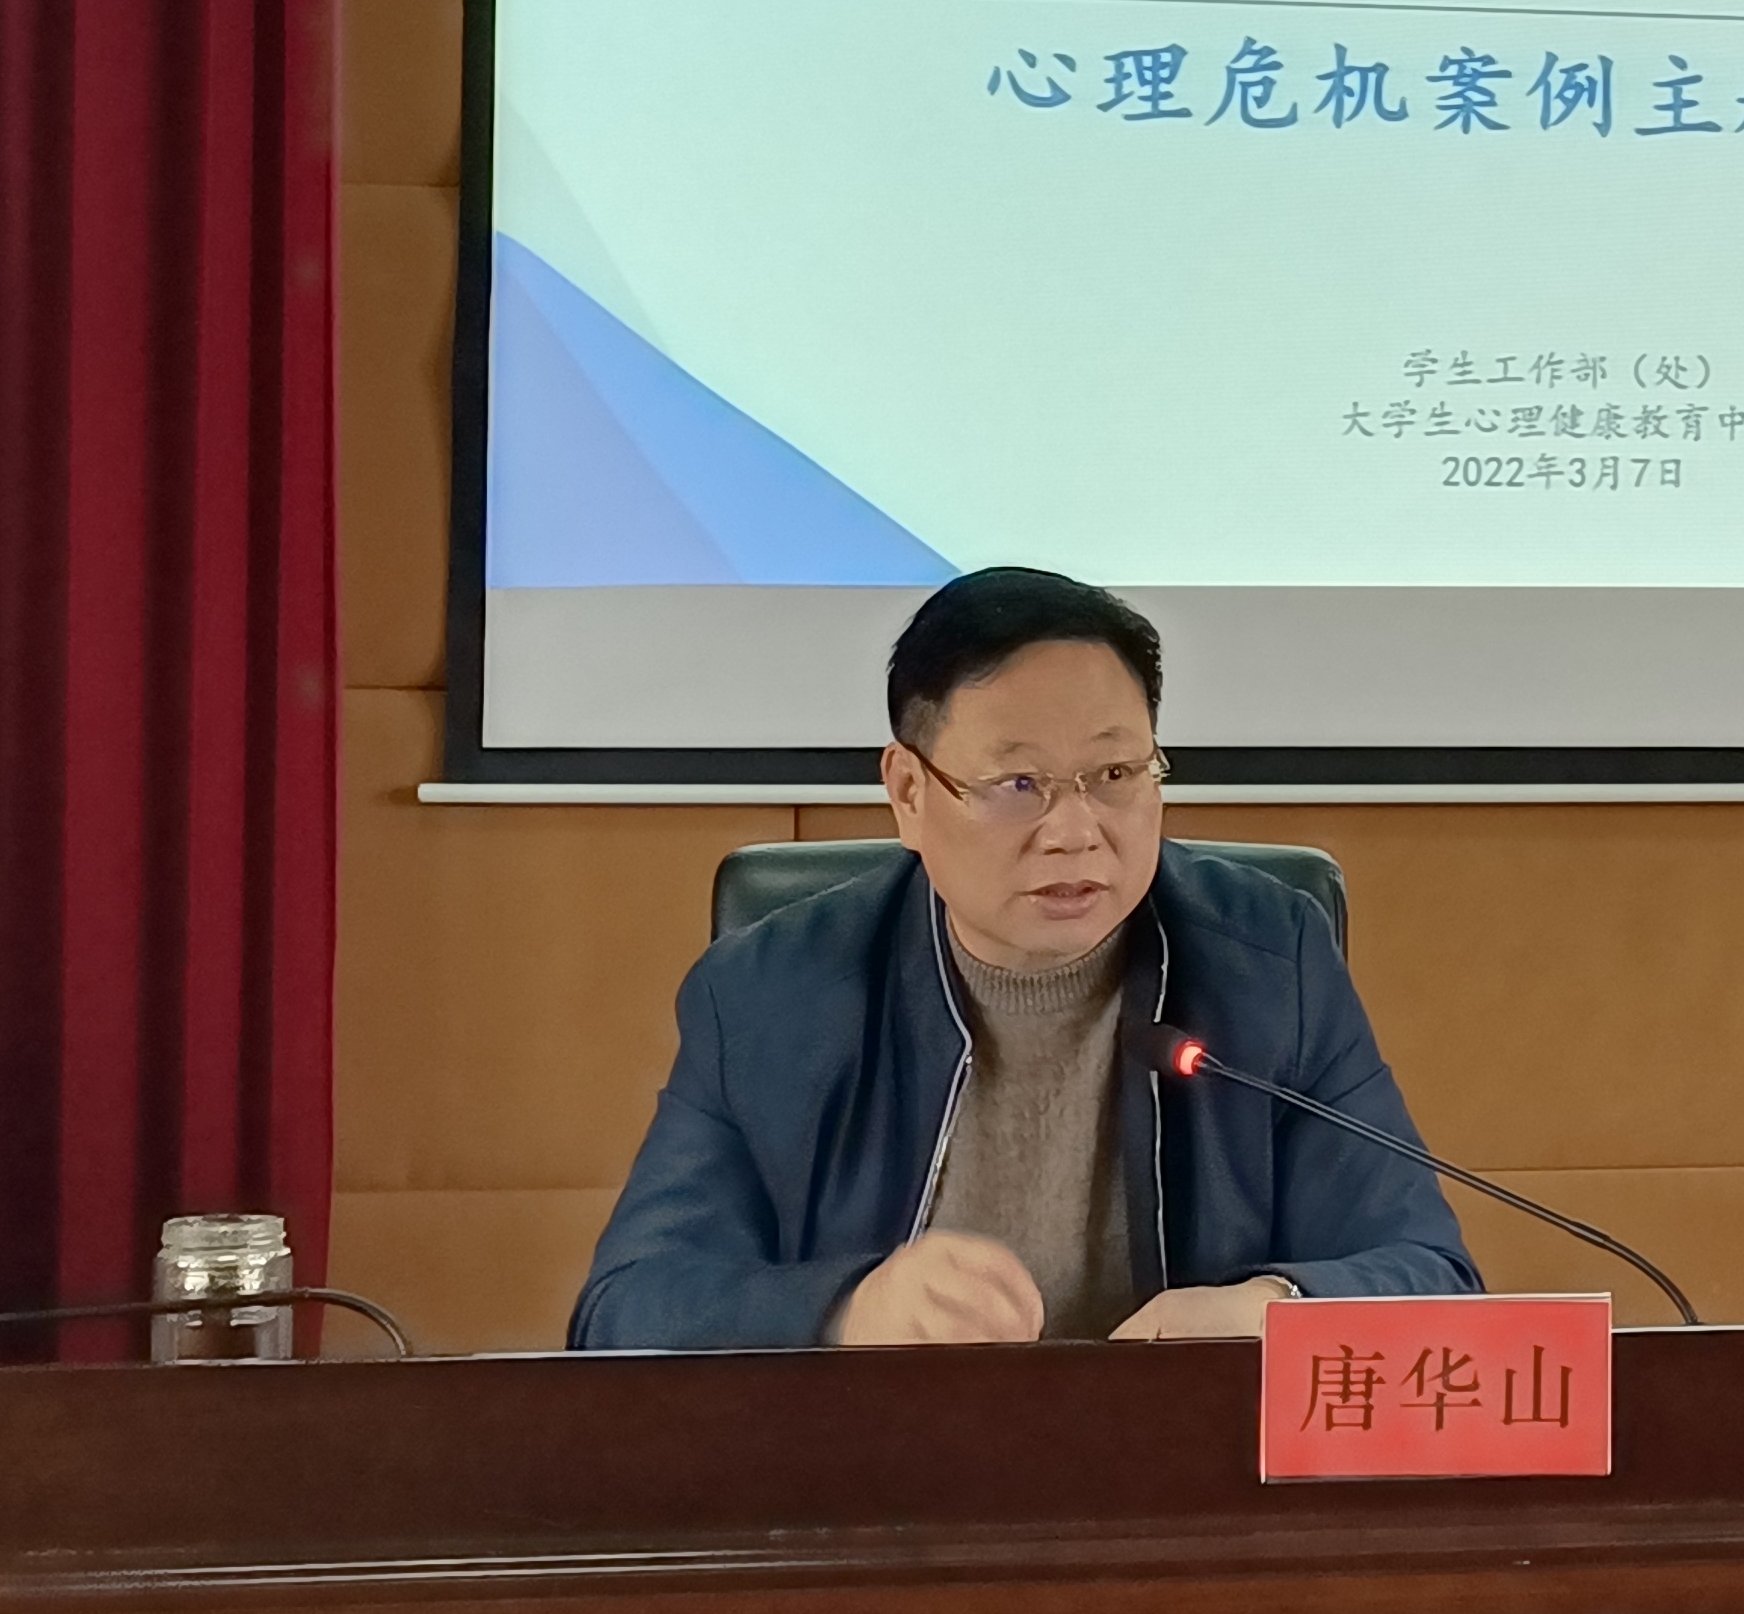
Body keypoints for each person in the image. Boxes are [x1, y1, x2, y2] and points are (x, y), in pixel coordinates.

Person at [571, 566, 1477, 1349]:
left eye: (1115, 775)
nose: (1075, 831)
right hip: (882, 1471)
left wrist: (1270, 1308)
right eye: (1018, 784)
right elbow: (627, 1310)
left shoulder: (1271, 960)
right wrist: (848, 1310)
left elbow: (1430, 1272)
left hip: (1178, 1465)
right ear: (908, 791)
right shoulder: (770, 993)